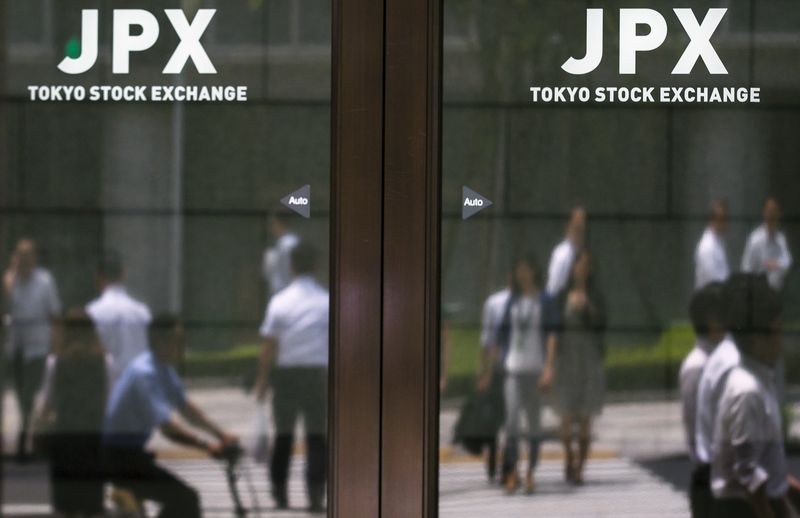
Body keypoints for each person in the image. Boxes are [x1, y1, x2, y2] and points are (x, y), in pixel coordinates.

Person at [103, 316, 239, 518]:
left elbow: (186, 409)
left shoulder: (163, 368)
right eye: (178, 340)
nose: (183, 346)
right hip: (116, 458)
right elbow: (168, 429)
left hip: (131, 455)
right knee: (185, 499)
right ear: (161, 341)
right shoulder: (145, 373)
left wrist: (221, 434)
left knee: (179, 498)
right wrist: (207, 446)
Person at [710, 273, 800, 518]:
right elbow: (748, 474)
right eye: (778, 330)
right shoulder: (747, 391)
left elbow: (764, 464)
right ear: (757, 339)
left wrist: (789, 490)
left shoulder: (759, 382)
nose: (781, 340)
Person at [255, 241, 329, 512]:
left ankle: (279, 491)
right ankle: (315, 493)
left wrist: (261, 384)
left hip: (286, 376)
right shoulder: (327, 302)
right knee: (317, 436)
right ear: (317, 266)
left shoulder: (280, 302)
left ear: (291, 267)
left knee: (283, 435)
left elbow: (268, 347)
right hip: (317, 376)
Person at [488, 254, 557, 495]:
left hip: (535, 369)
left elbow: (551, 335)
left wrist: (548, 368)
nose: (523, 274)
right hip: (514, 369)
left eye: (526, 269)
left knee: (535, 426)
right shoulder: (512, 301)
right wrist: (491, 367)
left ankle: (531, 471)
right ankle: (512, 472)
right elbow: (500, 335)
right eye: (519, 270)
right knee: (512, 424)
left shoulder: (545, 300)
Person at [35, 313, 110, 517]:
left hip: (64, 438)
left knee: (65, 506)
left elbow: (47, 406)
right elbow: (108, 400)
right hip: (93, 439)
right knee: (92, 505)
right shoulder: (104, 361)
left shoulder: (56, 362)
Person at [551, 249, 606, 486]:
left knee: (585, 418)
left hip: (588, 359)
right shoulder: (563, 295)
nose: (582, 270)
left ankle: (581, 467)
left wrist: (587, 308)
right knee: (565, 417)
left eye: (586, 265)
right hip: (566, 360)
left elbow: (602, 323)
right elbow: (554, 330)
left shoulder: (596, 296)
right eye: (579, 265)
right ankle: (569, 457)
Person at [3, 239, 62, 460]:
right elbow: (7, 303)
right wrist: (11, 274)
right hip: (17, 348)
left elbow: (54, 313)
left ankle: (24, 436)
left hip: (37, 348)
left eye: (28, 255)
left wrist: (56, 347)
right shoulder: (12, 281)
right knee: (20, 394)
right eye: (20, 255)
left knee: (29, 392)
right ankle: (26, 429)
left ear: (35, 257)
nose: (24, 260)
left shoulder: (45, 281)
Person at [679, 282, 726, 517]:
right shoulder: (698, 367)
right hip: (710, 477)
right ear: (713, 321)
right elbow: (695, 428)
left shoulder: (720, 362)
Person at [86, 251, 152, 382]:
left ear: (98, 277)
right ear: (123, 274)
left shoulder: (92, 312)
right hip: (139, 384)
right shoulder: (142, 312)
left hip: (107, 386)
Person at [475, 276, 511, 483]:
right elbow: (486, 340)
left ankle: (507, 463)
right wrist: (483, 372)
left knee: (510, 419)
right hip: (498, 368)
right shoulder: (495, 303)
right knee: (496, 418)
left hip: (515, 369)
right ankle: (494, 459)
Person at [741, 197, 793, 291]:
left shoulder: (781, 239)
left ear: (779, 214)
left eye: (774, 211)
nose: (771, 215)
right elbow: (746, 268)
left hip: (777, 292)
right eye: (768, 211)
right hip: (759, 293)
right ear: (764, 213)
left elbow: (788, 263)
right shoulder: (755, 239)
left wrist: (776, 264)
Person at [546, 206, 587, 297]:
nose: (581, 226)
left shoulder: (583, 252)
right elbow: (554, 288)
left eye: (583, 226)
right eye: (577, 228)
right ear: (568, 227)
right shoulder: (562, 254)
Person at [263, 210, 300, 296]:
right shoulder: (282, 243)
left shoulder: (289, 244)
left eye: (273, 224)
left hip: (289, 292)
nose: (272, 228)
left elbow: (288, 272)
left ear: (279, 223)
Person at [695, 200, 730, 289]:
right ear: (712, 220)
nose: (724, 223)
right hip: (709, 299)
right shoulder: (707, 246)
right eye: (721, 219)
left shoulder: (719, 242)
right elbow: (712, 281)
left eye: (726, 219)